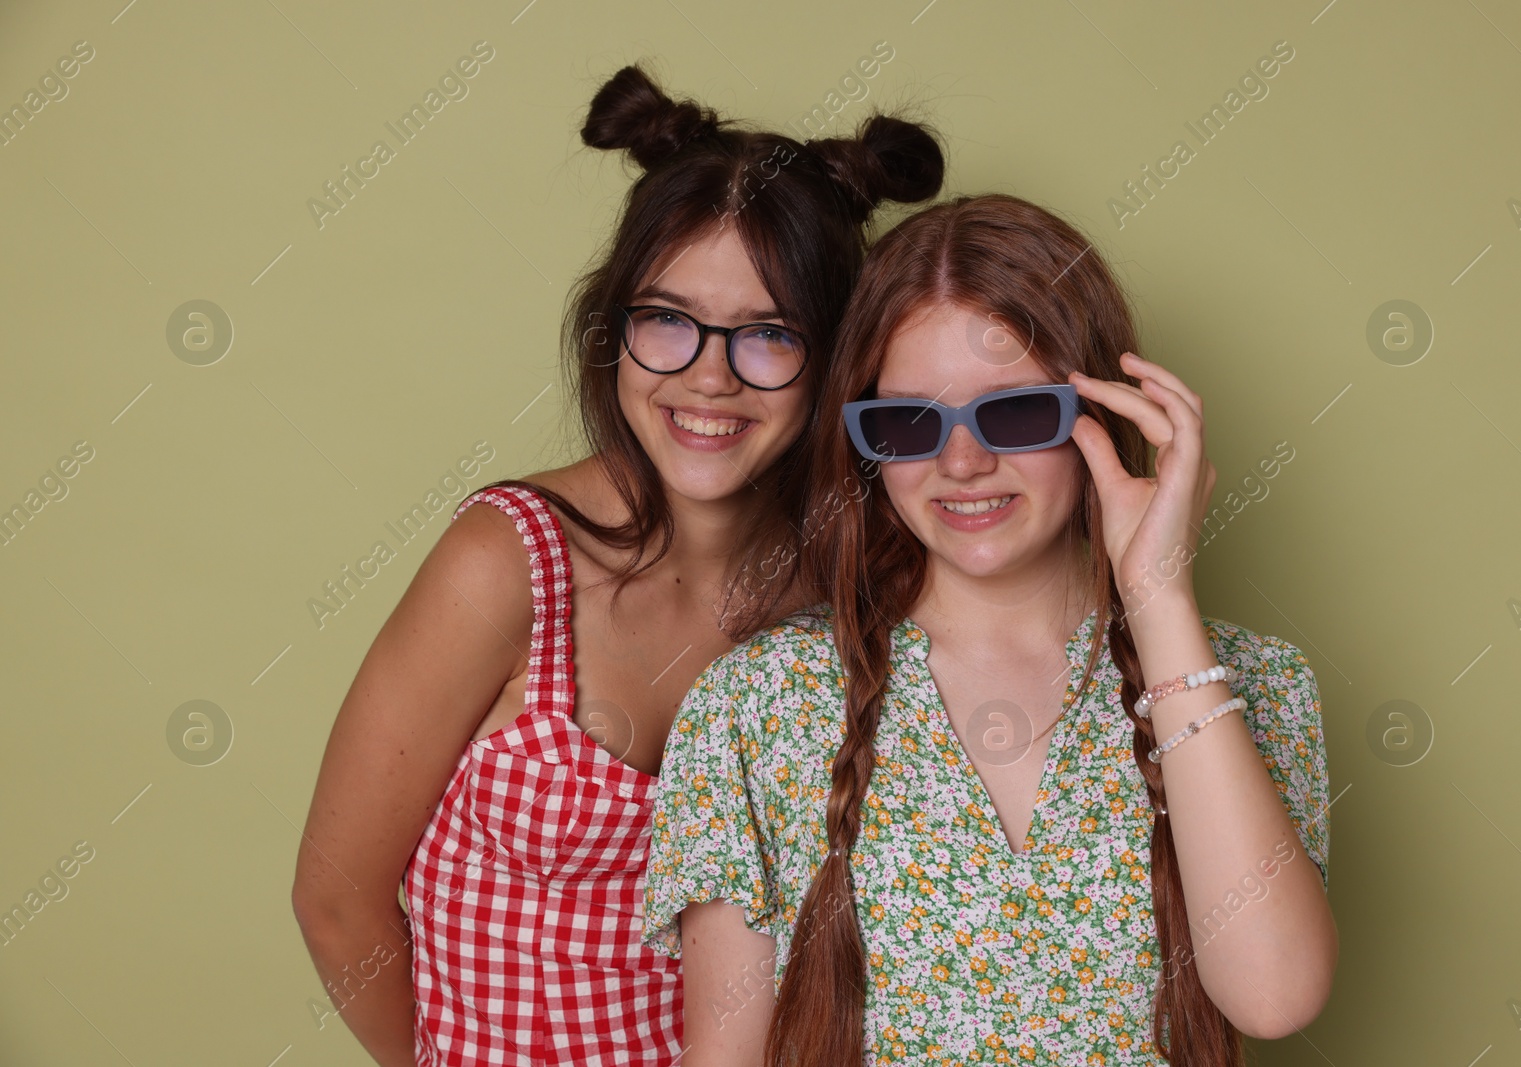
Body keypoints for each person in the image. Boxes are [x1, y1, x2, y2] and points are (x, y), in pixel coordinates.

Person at [290, 64, 943, 1066]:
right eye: (666, 320)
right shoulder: (507, 558)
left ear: (833, 358)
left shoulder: (847, 586)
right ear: (614, 327)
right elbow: (336, 901)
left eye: (769, 334)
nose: (708, 376)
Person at [642, 193, 1337, 1066]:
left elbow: (1274, 994)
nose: (962, 462)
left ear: (1104, 414)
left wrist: (1158, 598)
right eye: (908, 422)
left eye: (1014, 412)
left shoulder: (1250, 679)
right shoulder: (758, 704)